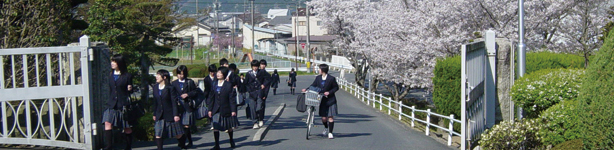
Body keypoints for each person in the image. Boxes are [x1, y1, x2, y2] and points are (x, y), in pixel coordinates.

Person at [102, 54, 134, 150]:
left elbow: (131, 90)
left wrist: (130, 88)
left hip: (123, 104)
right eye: (112, 61)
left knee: (126, 127)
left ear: (119, 63)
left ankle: (128, 146)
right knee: (107, 122)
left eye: (114, 61)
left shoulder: (127, 76)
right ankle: (109, 146)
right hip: (112, 103)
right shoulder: (110, 74)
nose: (112, 63)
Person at [302, 64, 339, 139]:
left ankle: (330, 132)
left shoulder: (331, 78)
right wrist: (306, 89)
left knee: (330, 117)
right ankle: (326, 127)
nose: (318, 70)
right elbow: (313, 85)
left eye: (319, 69)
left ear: (323, 70)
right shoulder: (318, 78)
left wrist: (329, 92)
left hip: (330, 100)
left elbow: (336, 87)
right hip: (321, 100)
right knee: (324, 118)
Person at [208, 67, 239, 150]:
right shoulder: (214, 84)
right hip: (215, 109)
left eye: (220, 73)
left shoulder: (228, 85)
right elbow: (211, 97)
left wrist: (233, 110)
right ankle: (217, 145)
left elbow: (231, 99)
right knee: (215, 126)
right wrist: (210, 109)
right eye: (217, 72)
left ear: (224, 75)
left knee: (228, 127)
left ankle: (231, 140)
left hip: (225, 108)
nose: (218, 74)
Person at [153, 69, 184, 150]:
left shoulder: (170, 88)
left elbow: (174, 102)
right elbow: (155, 102)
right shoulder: (155, 87)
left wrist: (176, 114)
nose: (156, 77)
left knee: (177, 133)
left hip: (170, 113)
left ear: (164, 77)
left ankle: (182, 144)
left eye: (158, 75)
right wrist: (154, 114)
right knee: (158, 133)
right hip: (159, 114)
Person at [171, 65, 199, 148]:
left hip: (188, 105)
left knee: (186, 125)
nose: (180, 76)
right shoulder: (174, 83)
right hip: (178, 106)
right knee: (179, 125)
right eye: (179, 74)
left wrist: (188, 94)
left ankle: (185, 142)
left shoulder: (189, 82)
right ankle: (183, 141)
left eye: (182, 74)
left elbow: (195, 92)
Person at [245, 60, 262, 129]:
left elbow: (266, 80)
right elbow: (246, 83)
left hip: (259, 92)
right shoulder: (249, 73)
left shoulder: (261, 72)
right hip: (251, 93)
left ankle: (259, 118)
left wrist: (263, 86)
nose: (255, 68)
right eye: (254, 66)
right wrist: (249, 91)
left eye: (256, 66)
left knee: (259, 107)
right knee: (252, 108)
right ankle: (255, 122)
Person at [256, 59, 272, 127]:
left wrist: (265, 94)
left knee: (261, 107)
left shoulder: (267, 75)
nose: (262, 66)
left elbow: (267, 86)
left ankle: (261, 119)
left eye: (264, 64)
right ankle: (256, 119)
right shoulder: (256, 73)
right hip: (255, 92)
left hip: (262, 93)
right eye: (261, 64)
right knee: (255, 107)